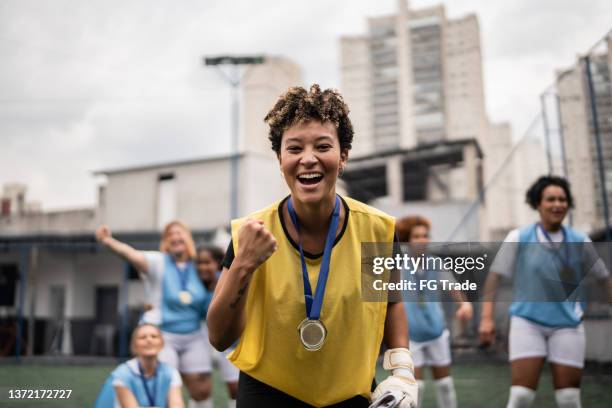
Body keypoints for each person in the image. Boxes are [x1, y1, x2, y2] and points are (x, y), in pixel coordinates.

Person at [207, 84, 418, 407]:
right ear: (280, 159)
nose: (308, 159)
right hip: (268, 391)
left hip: (351, 392)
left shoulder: (377, 229)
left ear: (343, 156)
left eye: (322, 146)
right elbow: (219, 337)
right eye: (294, 149)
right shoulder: (251, 233)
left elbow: (390, 303)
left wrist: (402, 370)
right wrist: (244, 263)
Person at [478, 176, 612, 408]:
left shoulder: (580, 240)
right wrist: (486, 319)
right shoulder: (519, 237)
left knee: (569, 399)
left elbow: (604, 278)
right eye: (550, 199)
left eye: (562, 199)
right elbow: (493, 278)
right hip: (527, 323)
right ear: (537, 204)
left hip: (568, 324)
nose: (557, 204)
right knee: (521, 396)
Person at [96, 221, 214, 408]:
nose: (175, 237)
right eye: (170, 235)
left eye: (179, 233)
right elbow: (131, 254)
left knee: (202, 389)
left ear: (189, 238)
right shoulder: (158, 261)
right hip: (163, 334)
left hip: (193, 334)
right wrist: (108, 241)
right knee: (163, 387)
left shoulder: (199, 265)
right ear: (165, 242)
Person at [396, 215, 473, 408]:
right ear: (406, 240)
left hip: (436, 332)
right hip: (410, 336)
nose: (423, 240)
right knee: (416, 387)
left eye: (425, 235)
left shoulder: (436, 264)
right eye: (417, 236)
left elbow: (454, 289)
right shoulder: (397, 265)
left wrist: (464, 304)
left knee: (445, 384)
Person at [93, 323, 184, 408]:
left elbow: (177, 404)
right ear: (134, 346)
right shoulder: (122, 374)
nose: (149, 340)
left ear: (162, 344)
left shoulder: (171, 373)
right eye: (143, 337)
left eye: (154, 336)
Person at [196, 245, 239, 408]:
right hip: (206, 338)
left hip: (231, 340)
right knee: (200, 387)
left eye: (207, 262)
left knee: (235, 387)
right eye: (199, 263)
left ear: (218, 262)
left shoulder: (226, 279)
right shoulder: (197, 283)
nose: (203, 267)